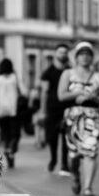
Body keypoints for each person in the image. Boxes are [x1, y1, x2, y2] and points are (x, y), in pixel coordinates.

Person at [58, 41, 99, 196]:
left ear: (92, 58)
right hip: (73, 117)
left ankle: (88, 187)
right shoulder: (68, 74)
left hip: (92, 117)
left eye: (88, 55)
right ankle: (75, 175)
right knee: (73, 155)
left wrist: (94, 96)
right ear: (76, 57)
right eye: (82, 55)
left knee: (91, 151)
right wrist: (77, 93)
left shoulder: (98, 76)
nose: (85, 58)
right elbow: (61, 96)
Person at [39, 43, 71, 176]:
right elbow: (44, 92)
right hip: (52, 109)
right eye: (60, 52)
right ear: (55, 54)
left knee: (66, 138)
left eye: (65, 52)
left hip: (67, 108)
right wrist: (42, 110)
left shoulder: (70, 71)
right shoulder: (48, 72)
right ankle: (53, 159)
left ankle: (64, 164)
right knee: (52, 137)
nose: (63, 54)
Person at [0, 58, 25, 169]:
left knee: (6, 134)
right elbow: (24, 91)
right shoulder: (15, 78)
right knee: (16, 134)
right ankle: (11, 150)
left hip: (1, 111)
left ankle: (8, 150)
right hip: (14, 110)